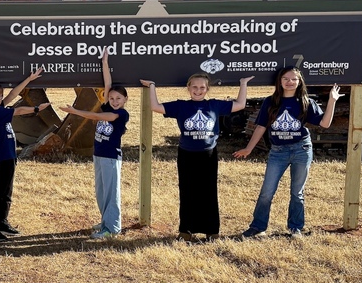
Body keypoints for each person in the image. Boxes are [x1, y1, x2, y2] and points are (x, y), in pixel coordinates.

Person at [141, 74, 253, 240]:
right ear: (188, 88)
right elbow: (156, 106)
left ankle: (212, 231)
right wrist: (151, 86)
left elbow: (240, 104)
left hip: (208, 153)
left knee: (209, 191)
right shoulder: (181, 106)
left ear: (207, 89)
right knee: (187, 191)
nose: (198, 90)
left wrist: (243, 84)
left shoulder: (214, 104)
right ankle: (186, 230)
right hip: (186, 154)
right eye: (194, 87)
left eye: (202, 87)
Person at [233, 67, 342, 238]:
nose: (289, 82)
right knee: (267, 192)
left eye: (294, 79)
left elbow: (325, 123)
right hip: (278, 152)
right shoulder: (270, 102)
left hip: (301, 149)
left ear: (300, 82)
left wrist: (332, 101)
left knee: (297, 192)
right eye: (285, 78)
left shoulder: (306, 102)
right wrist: (249, 148)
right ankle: (258, 227)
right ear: (279, 81)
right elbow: (261, 126)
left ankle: (295, 228)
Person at [59, 51, 128, 239]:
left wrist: (75, 111)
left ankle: (112, 228)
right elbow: (107, 84)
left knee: (111, 193)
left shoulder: (121, 115)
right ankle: (105, 221)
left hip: (111, 157)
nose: (114, 101)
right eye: (112, 98)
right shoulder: (108, 104)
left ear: (125, 101)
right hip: (99, 155)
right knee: (101, 191)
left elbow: (96, 116)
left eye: (118, 99)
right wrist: (104, 62)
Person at [0, 68, 49, 241]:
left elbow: (12, 94)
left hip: (10, 155)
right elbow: (17, 111)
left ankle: (3, 222)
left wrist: (29, 79)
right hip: (2, 156)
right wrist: (36, 109)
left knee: (7, 191)